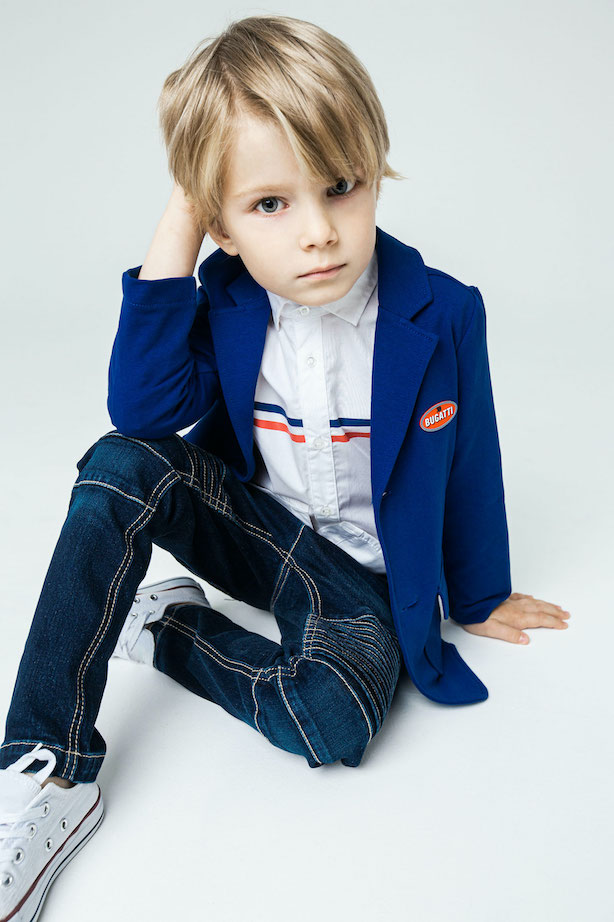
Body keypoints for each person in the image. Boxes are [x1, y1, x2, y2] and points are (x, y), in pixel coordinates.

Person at [0, 14, 571, 920]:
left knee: (333, 722)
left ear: (373, 171)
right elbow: (143, 413)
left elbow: (471, 459)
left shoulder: (442, 313)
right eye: (270, 204)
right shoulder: (229, 300)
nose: (318, 234)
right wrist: (185, 210)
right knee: (117, 464)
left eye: (340, 187)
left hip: (361, 586)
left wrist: (479, 593)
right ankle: (46, 769)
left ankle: (167, 626)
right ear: (220, 224)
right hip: (257, 536)